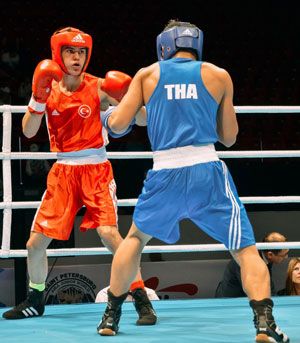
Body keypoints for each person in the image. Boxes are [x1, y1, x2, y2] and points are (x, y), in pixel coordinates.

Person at [96, 19, 289, 343]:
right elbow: (229, 137)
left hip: (164, 172)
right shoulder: (218, 75)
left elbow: (116, 125)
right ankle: (264, 323)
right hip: (206, 170)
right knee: (245, 251)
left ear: (164, 44)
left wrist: (107, 113)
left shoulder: (148, 75)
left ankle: (111, 316)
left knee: (135, 240)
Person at [2, 27, 157, 326]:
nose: (77, 57)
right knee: (35, 244)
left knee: (110, 235)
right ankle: (35, 299)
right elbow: (29, 130)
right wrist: (37, 98)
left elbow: (142, 120)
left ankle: (141, 300)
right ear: (58, 54)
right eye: (71, 51)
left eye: (82, 52)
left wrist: (131, 98)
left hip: (96, 168)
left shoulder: (100, 87)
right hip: (63, 172)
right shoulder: (47, 86)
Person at [215, 232, 289, 297]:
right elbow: (254, 290)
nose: (286, 257)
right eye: (284, 255)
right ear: (270, 254)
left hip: (244, 298)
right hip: (229, 301)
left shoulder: (266, 257)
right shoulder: (248, 261)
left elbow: (267, 284)